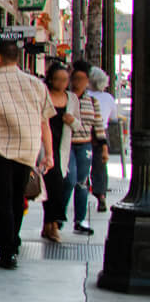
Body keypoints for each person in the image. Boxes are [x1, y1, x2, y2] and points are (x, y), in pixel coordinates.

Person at [0, 42, 55, 269]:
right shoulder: (36, 84)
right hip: (28, 151)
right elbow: (44, 122)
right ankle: (13, 239)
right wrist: (48, 153)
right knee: (17, 198)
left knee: (0, 201)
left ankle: (7, 249)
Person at [38, 62, 80, 245]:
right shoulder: (43, 95)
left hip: (63, 148)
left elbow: (78, 125)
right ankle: (53, 224)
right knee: (51, 184)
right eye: (58, 79)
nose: (62, 83)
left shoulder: (72, 99)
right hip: (45, 146)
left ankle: (50, 223)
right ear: (51, 79)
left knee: (61, 184)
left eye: (65, 80)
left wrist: (72, 121)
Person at [67, 66, 100, 235]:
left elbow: (98, 124)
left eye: (82, 79)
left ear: (87, 81)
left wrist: (103, 147)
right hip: (68, 145)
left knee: (82, 182)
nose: (78, 82)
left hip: (85, 145)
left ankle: (79, 220)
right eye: (76, 78)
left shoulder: (92, 101)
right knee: (69, 180)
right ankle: (57, 218)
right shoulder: (66, 98)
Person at [87, 66, 117, 213]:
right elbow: (114, 118)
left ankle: (84, 187)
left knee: (82, 164)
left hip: (85, 133)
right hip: (102, 134)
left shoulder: (84, 96)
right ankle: (101, 195)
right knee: (100, 167)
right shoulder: (108, 98)